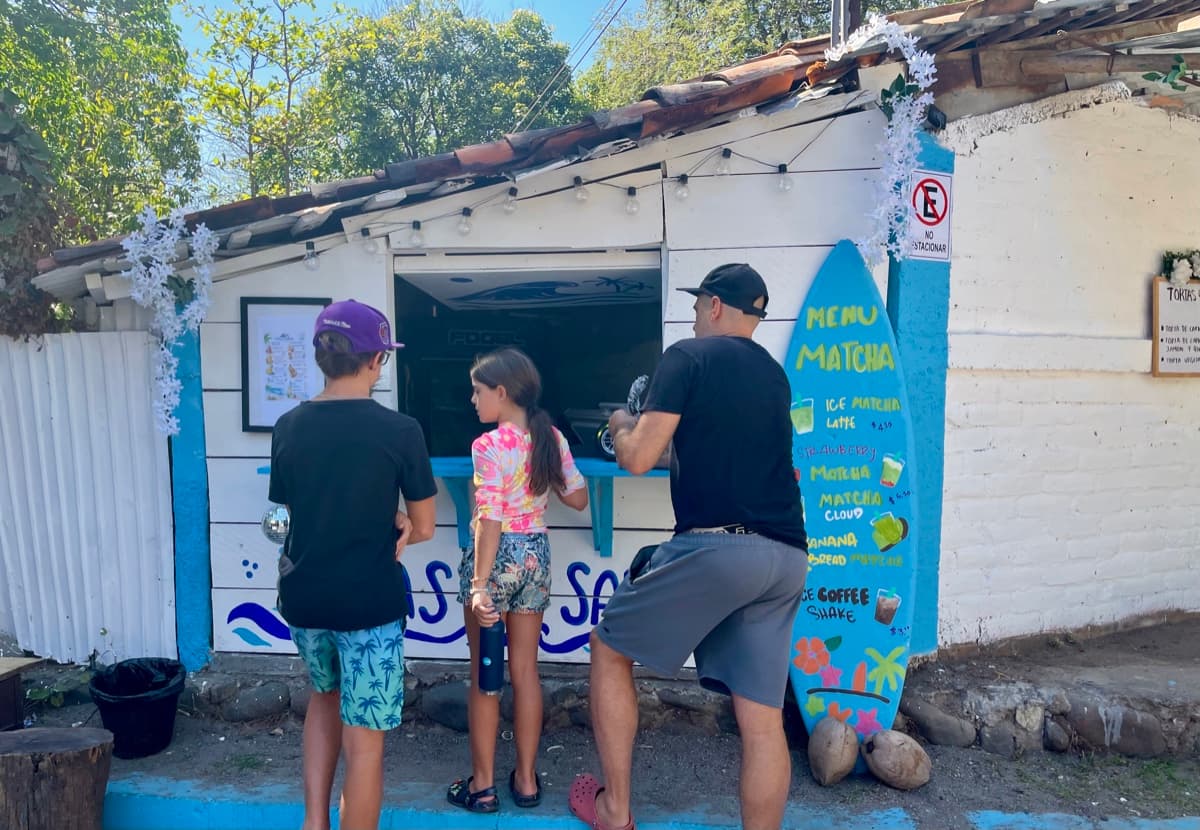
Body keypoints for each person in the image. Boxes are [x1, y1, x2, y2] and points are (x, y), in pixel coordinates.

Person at [569, 264, 808, 830]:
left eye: (699, 304)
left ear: (717, 306)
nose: (696, 314)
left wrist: (624, 421)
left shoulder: (687, 357)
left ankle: (614, 810)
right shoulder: (774, 376)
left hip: (721, 549)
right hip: (787, 558)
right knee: (760, 719)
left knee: (608, 649)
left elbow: (636, 457)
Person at [268, 299, 438, 830]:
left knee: (323, 697)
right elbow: (425, 525)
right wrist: (401, 518)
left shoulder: (288, 426)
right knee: (364, 746)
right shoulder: (400, 430)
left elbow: (296, 509)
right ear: (375, 361)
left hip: (305, 597)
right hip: (369, 601)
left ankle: (314, 822)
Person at [447, 348, 588, 813]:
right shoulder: (551, 438)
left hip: (495, 558)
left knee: (485, 675)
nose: (473, 399)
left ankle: (483, 786)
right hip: (535, 556)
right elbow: (579, 499)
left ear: (501, 393)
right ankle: (526, 780)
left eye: (478, 390)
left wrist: (480, 584)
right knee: (526, 673)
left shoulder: (487, 446)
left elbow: (488, 518)